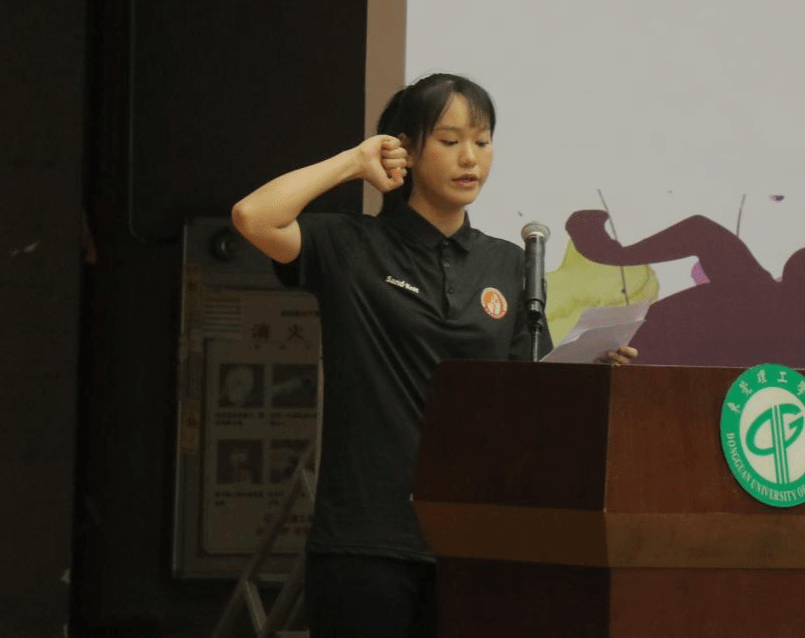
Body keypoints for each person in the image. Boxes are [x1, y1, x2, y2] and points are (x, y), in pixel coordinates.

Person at [231, 73, 636, 638]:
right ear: (406, 149)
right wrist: (354, 162)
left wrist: (589, 375)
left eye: (483, 141)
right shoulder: (352, 246)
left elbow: (529, 394)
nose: (471, 158)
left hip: (475, 535)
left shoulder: (508, 263)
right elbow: (254, 216)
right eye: (450, 141)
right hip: (367, 538)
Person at [565, 209, 805, 368]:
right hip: (621, 369)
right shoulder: (753, 286)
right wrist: (613, 254)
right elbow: (701, 231)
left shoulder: (804, 351)